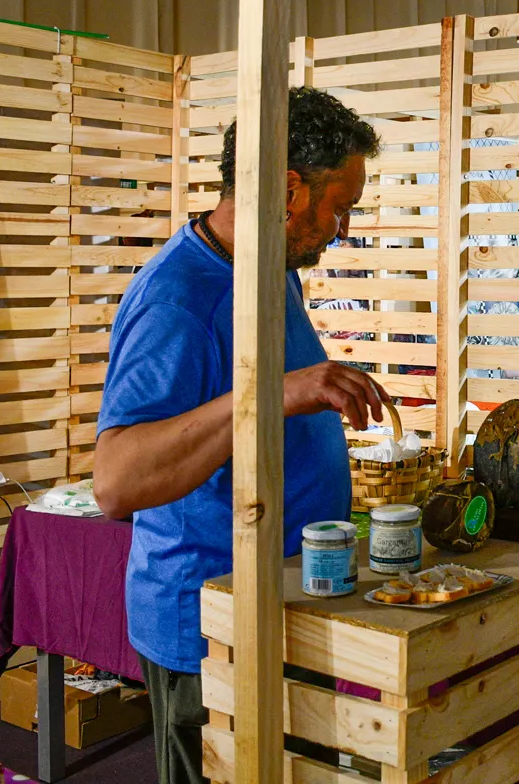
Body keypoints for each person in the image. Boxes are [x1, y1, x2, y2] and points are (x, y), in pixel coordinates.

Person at [93, 88, 388, 784]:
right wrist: (279, 394)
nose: (340, 229)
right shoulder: (179, 298)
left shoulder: (269, 267)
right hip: (209, 627)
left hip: (280, 604)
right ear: (289, 189)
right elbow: (118, 481)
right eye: (338, 206)